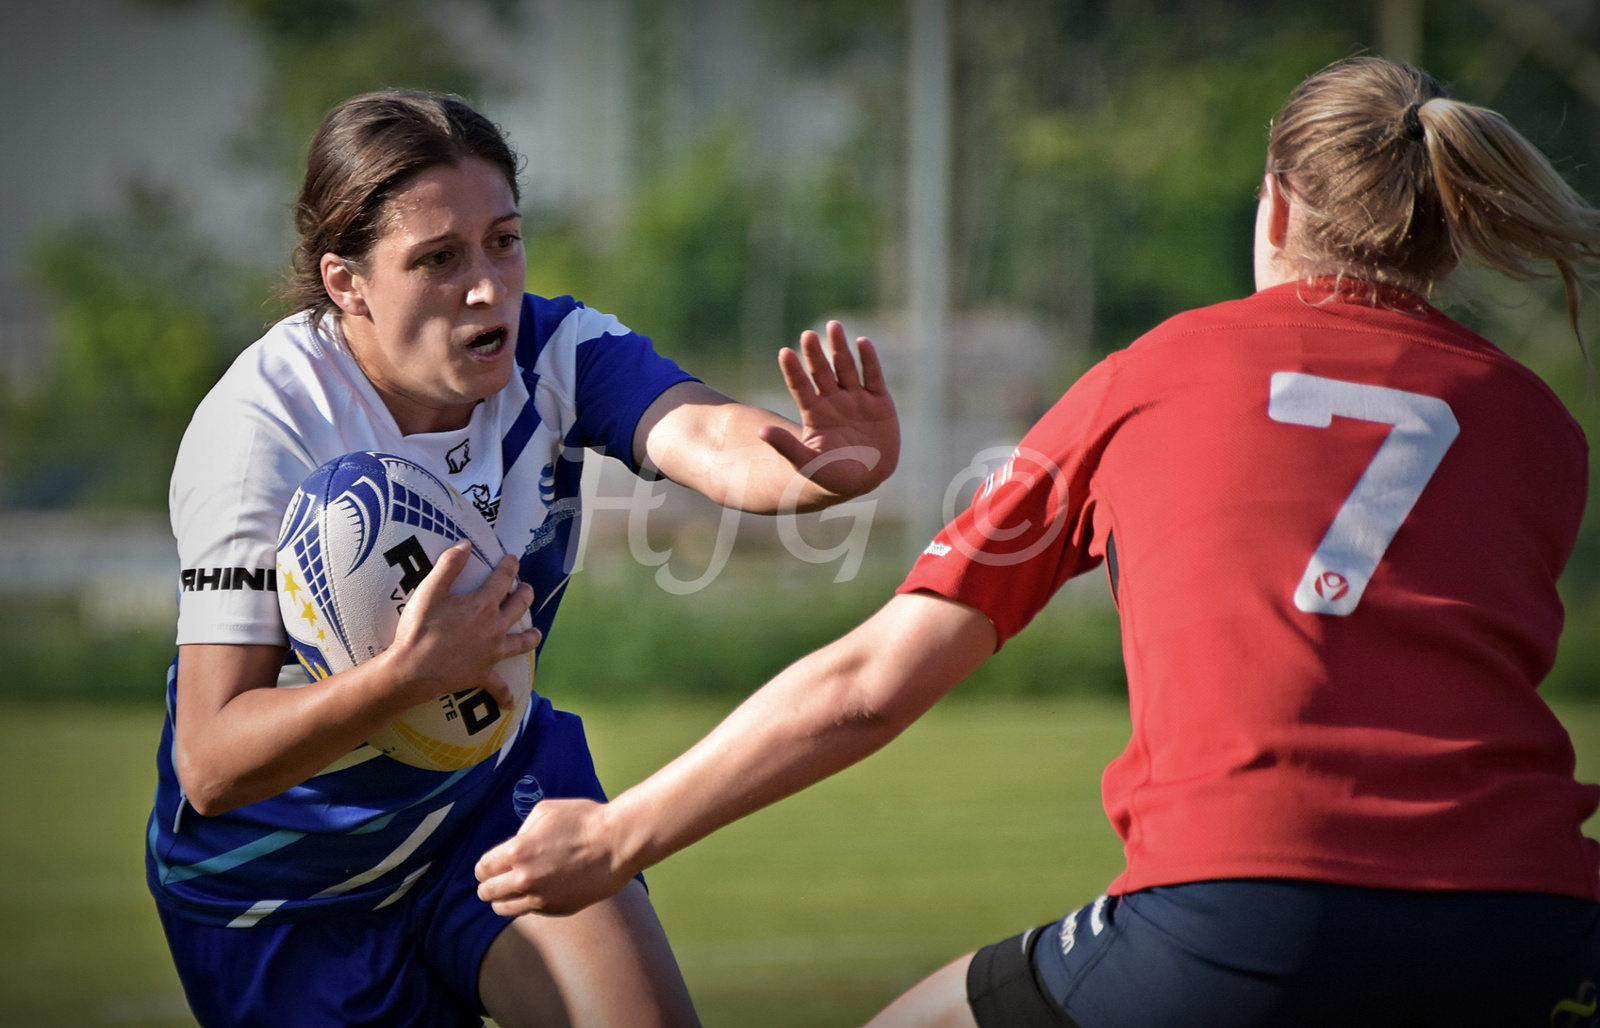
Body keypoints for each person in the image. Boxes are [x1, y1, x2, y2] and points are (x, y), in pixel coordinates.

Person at [475, 56, 1600, 1028]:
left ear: (1272, 204)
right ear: (1449, 225)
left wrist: (621, 833)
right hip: (1541, 927)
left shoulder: (1155, 375)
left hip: (1244, 908)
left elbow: (871, 682)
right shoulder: (1540, 425)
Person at [145, 89, 899, 1028]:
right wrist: (409, 677)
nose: (487, 286)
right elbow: (214, 761)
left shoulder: (553, 351)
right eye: (437, 259)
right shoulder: (263, 432)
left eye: (504, 240)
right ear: (347, 284)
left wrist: (817, 471)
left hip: (489, 794)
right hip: (281, 889)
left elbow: (701, 431)